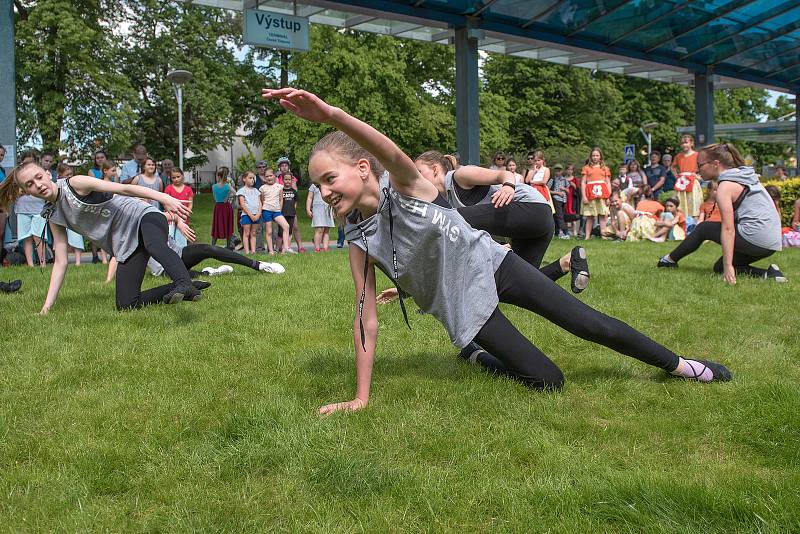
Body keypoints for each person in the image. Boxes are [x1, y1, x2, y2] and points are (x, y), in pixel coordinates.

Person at [262, 87, 731, 414]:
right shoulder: (358, 240)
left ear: (363, 168)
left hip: (494, 263)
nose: (323, 192)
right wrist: (361, 397)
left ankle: (682, 366)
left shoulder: (405, 185)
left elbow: (388, 149)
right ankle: (473, 355)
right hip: (464, 310)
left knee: (590, 322)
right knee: (548, 381)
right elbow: (365, 319)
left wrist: (332, 116)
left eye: (329, 178)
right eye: (316, 184)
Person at [0, 162, 203, 312]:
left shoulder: (75, 183)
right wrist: (46, 307)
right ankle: (186, 286)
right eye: (30, 184)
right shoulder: (53, 214)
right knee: (126, 305)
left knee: (154, 245)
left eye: (39, 177)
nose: (38, 184)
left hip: (140, 216)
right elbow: (61, 261)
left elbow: (123, 188)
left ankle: (184, 283)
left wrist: (163, 197)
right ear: (26, 191)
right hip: (125, 241)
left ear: (47, 173)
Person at [412, 151, 588, 292]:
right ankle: (567, 262)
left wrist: (508, 187)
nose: (416, 179)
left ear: (435, 169)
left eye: (419, 172)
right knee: (517, 286)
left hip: (532, 209)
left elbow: (504, 174)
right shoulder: (448, 203)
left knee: (450, 219)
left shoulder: (460, 175)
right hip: (534, 230)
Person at [658, 143, 785, 284]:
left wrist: (728, 266)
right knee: (719, 268)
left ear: (715, 164)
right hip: (771, 243)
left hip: (756, 238)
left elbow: (728, 229)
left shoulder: (726, 186)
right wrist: (725, 266)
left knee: (703, 228)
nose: (697, 170)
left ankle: (668, 260)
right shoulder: (744, 176)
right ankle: (771, 274)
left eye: (700, 165)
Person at [55, 163, 86, 265]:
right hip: (61, 215)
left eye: (71, 174)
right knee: (60, 240)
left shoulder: (74, 183)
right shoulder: (57, 184)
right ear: (59, 174)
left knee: (76, 237)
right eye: (67, 174)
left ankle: (78, 262)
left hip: (73, 215)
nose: (69, 176)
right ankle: (61, 261)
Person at [581, 148, 611, 240]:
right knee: (590, 216)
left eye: (597, 155)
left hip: (602, 194)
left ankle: (603, 235)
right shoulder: (586, 168)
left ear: (600, 156)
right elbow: (583, 183)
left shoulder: (605, 168)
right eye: (593, 155)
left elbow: (608, 183)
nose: (595, 157)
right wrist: (584, 196)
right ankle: (587, 236)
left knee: (602, 215)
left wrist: (608, 196)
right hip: (590, 194)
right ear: (590, 157)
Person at [259, 169, 291, 254]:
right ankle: (271, 251)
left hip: (277, 211)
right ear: (264, 178)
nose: (269, 177)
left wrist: (279, 209)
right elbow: (262, 200)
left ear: (274, 176)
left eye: (271, 175)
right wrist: (264, 209)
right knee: (269, 231)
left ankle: (286, 248)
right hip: (267, 210)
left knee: (286, 226)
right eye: (267, 176)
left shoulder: (279, 187)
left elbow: (281, 199)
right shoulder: (262, 188)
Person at [276, 156, 305, 252]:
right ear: (279, 167)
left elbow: (294, 191)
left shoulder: (292, 178)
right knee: (281, 229)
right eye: (282, 166)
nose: (284, 167)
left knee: (295, 226)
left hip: (291, 206)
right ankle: (281, 247)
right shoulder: (277, 178)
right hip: (282, 207)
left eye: (286, 165)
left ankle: (300, 246)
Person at [672, 135, 703, 218]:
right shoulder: (678, 156)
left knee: (693, 201)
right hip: (682, 181)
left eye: (686, 142)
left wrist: (699, 176)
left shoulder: (697, 155)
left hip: (692, 180)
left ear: (691, 143)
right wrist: (676, 176)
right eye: (682, 143)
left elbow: (703, 165)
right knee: (681, 201)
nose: (684, 145)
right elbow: (673, 167)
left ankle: (694, 220)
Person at [164, 167, 194, 249]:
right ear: (171, 178)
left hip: (183, 217)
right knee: (170, 236)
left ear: (182, 176)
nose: (176, 179)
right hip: (171, 218)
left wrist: (188, 212)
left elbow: (190, 202)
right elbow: (165, 203)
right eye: (174, 177)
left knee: (181, 236)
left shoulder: (188, 189)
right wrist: (169, 212)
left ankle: (182, 253)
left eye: (178, 176)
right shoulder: (168, 189)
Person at [236, 171, 261, 255]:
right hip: (246, 215)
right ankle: (247, 251)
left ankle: (253, 251)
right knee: (246, 233)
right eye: (250, 178)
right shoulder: (242, 191)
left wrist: (258, 214)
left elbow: (260, 203)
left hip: (256, 215)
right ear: (244, 179)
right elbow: (242, 204)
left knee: (253, 233)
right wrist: (250, 215)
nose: (252, 180)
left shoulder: (256, 190)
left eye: (253, 178)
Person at [307, 182, 335, 252]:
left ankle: (325, 248)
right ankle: (317, 248)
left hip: (328, 207)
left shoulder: (329, 184)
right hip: (317, 209)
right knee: (319, 229)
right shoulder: (314, 186)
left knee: (327, 229)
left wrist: (334, 210)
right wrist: (308, 209)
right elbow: (310, 198)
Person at [211, 168, 235, 247]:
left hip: (218, 207)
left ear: (218, 176)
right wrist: (228, 196)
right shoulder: (227, 186)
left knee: (217, 225)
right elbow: (235, 193)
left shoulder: (214, 186)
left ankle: (213, 245)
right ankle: (228, 246)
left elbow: (214, 198)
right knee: (228, 225)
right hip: (226, 207)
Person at [277, 173, 298, 252]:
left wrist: (294, 210)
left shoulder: (294, 191)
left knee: (289, 232)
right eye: (286, 179)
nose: (288, 181)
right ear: (282, 180)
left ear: (291, 180)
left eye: (289, 179)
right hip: (282, 214)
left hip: (291, 214)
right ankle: (277, 248)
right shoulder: (281, 190)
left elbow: (295, 202)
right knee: (280, 233)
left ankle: (287, 248)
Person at [549, 163, 570, 239]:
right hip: (555, 199)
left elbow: (568, 190)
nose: (558, 172)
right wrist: (557, 193)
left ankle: (557, 232)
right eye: (556, 170)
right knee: (559, 216)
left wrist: (564, 189)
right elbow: (548, 190)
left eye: (559, 170)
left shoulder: (564, 180)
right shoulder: (552, 180)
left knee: (560, 216)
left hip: (563, 200)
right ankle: (565, 232)